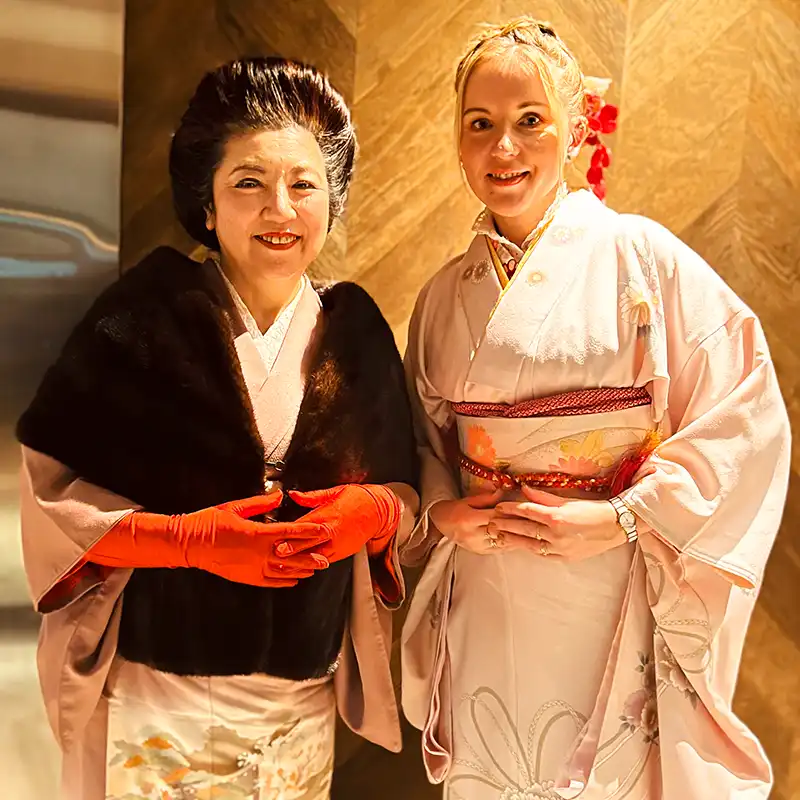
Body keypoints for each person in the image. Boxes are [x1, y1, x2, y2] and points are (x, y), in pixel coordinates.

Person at [400, 17, 789, 800]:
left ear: (577, 130)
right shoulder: (445, 295)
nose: (503, 148)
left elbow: (745, 409)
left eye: (529, 122)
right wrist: (443, 509)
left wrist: (621, 518)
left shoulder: (642, 257)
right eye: (480, 125)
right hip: (484, 587)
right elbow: (421, 437)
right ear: (458, 137)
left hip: (607, 576)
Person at [17, 57, 419, 800]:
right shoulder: (140, 319)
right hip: (157, 697)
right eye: (249, 183)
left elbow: (406, 486)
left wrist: (376, 513)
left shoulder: (356, 331)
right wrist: (190, 541)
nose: (281, 209)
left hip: (299, 701)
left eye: (303, 184)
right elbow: (53, 498)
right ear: (205, 203)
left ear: (330, 200)